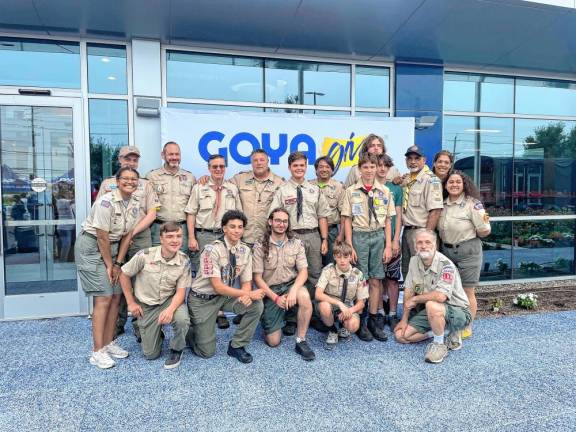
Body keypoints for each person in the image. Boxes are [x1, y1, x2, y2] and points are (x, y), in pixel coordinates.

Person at [75, 167, 141, 369]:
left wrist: (119, 264)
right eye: (125, 179)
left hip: (113, 249)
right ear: (117, 181)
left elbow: (127, 236)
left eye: (133, 179)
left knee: (115, 295)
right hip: (93, 247)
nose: (129, 182)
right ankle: (97, 351)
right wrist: (109, 265)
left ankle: (109, 342)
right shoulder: (106, 201)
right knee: (103, 297)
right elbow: (102, 236)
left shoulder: (135, 203)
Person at [97, 145, 161, 339]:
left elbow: (152, 212)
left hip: (140, 235)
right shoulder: (108, 183)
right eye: (127, 159)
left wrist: (133, 232)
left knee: (142, 278)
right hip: (116, 237)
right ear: (119, 160)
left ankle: (140, 323)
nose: (131, 162)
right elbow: (100, 211)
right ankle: (117, 322)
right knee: (117, 276)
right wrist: (123, 234)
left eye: (134, 160)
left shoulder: (146, 184)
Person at [186, 210, 265, 364]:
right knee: (206, 352)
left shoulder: (245, 250)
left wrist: (246, 295)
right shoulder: (212, 250)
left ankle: (237, 345)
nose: (237, 230)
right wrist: (247, 293)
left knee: (256, 305)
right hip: (203, 301)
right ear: (224, 228)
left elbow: (247, 282)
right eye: (232, 226)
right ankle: (191, 332)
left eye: (240, 227)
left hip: (224, 298)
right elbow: (217, 287)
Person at [269, 151, 331, 335]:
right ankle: (291, 317)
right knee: (291, 276)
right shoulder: (282, 190)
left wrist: (325, 239)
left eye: (302, 165)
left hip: (313, 235)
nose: (299, 168)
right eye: (295, 165)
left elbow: (322, 216)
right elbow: (274, 216)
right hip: (291, 237)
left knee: (314, 275)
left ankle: (312, 314)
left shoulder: (314, 189)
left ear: (306, 167)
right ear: (289, 168)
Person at [119, 222, 191, 369]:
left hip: (168, 301)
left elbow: (181, 292)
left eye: (178, 236)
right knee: (151, 355)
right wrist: (131, 303)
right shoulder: (144, 256)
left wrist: (170, 310)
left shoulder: (184, 260)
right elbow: (123, 274)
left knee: (182, 319)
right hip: (147, 305)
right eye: (169, 236)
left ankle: (177, 348)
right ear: (161, 238)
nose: (175, 240)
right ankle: (153, 331)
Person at [394, 229, 471, 364]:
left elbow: (441, 297)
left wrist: (416, 299)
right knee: (401, 336)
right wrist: (404, 319)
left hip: (458, 312)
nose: (423, 246)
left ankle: (439, 345)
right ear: (414, 245)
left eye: (427, 242)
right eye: (419, 242)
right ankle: (445, 332)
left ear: (435, 244)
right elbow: (409, 292)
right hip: (433, 311)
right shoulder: (414, 261)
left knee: (431, 304)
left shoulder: (446, 265)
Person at [341, 153, 395, 342]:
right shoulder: (351, 191)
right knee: (361, 280)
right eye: (366, 167)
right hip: (360, 236)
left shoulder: (385, 191)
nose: (370, 170)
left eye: (373, 167)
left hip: (378, 236)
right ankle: (362, 321)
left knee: (376, 280)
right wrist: (349, 244)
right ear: (359, 169)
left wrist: (388, 246)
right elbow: (347, 219)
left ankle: (373, 319)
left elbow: (388, 221)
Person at [185, 154, 243, 329]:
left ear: (225, 168)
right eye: (214, 166)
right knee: (206, 273)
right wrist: (192, 236)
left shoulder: (232, 188)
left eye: (221, 166)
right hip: (205, 235)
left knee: (225, 272)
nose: (218, 169)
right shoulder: (199, 187)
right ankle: (207, 311)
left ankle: (220, 310)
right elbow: (191, 213)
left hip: (226, 236)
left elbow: (238, 213)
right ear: (209, 168)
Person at [252, 208, 315, 361]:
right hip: (271, 291)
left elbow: (303, 272)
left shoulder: (296, 243)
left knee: (304, 296)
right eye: (278, 220)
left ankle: (301, 340)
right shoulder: (260, 245)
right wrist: (275, 298)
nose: (281, 224)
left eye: (285, 221)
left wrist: (293, 291)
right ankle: (274, 317)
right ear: (270, 222)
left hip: (290, 285)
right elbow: (257, 278)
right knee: (273, 342)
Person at [438, 171, 491, 339]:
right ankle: (453, 321)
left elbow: (485, 229)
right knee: (451, 290)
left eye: (458, 182)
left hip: (468, 250)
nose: (454, 185)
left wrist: (479, 230)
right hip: (446, 251)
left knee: (468, 290)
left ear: (464, 185)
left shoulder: (473, 204)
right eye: (451, 182)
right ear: (445, 185)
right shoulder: (442, 204)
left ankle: (467, 325)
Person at [315, 241, 368, 350]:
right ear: (334, 257)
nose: (342, 260)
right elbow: (318, 294)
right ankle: (332, 330)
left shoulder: (358, 274)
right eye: (339, 257)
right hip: (330, 305)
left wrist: (350, 311)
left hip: (347, 306)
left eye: (345, 256)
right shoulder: (328, 271)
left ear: (350, 257)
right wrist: (339, 304)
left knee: (353, 325)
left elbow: (362, 303)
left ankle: (343, 327)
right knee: (324, 306)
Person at [401, 145, 444, 278]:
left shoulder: (431, 180)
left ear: (424, 160)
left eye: (416, 158)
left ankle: (424, 300)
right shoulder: (408, 179)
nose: (413, 161)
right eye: (410, 158)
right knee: (409, 272)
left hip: (422, 232)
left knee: (424, 273)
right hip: (407, 231)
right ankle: (411, 299)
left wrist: (426, 237)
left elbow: (435, 210)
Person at [146, 141, 196, 251]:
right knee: (157, 261)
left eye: (177, 154)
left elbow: (193, 207)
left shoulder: (190, 177)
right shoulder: (152, 176)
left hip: (181, 229)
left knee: (181, 262)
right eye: (171, 154)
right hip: (159, 228)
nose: (174, 157)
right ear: (163, 155)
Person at [376, 154, 403, 330]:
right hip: (375, 239)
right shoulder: (369, 187)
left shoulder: (396, 188)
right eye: (379, 165)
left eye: (386, 165)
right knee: (376, 279)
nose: (382, 169)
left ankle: (392, 313)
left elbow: (399, 215)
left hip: (391, 238)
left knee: (392, 279)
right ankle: (379, 312)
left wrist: (395, 240)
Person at [310, 156, 344, 266]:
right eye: (321, 167)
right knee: (313, 265)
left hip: (331, 232)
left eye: (327, 167)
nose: (324, 169)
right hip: (312, 232)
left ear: (332, 170)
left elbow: (344, 214)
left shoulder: (338, 187)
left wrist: (341, 234)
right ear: (316, 170)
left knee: (331, 264)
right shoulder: (308, 186)